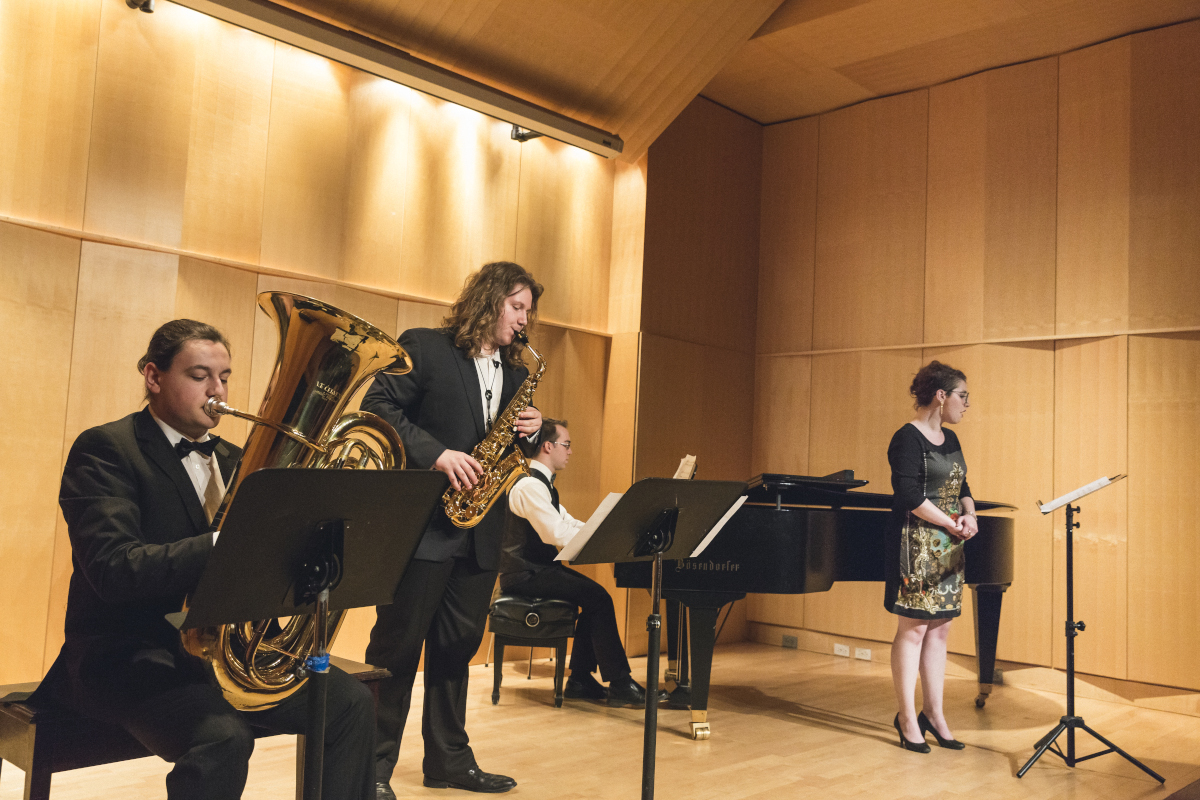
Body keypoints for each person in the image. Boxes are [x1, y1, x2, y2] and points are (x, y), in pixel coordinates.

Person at [34, 319, 376, 800]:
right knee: (222, 740)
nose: (217, 390)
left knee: (350, 703)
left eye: (225, 377)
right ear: (154, 377)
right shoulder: (108, 450)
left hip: (224, 655)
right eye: (199, 376)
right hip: (131, 656)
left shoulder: (241, 461)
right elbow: (115, 569)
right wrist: (224, 543)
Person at [361, 262, 544, 798]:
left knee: (456, 649)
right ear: (488, 301)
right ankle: (371, 768)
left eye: (529, 310)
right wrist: (437, 454)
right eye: (517, 306)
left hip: (480, 530)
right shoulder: (425, 345)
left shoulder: (515, 375)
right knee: (396, 650)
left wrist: (531, 432)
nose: (524, 319)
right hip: (422, 527)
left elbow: (508, 450)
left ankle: (448, 760)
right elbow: (377, 406)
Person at [500, 418, 653, 706]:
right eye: (566, 445)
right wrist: (599, 533)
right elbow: (556, 532)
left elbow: (567, 521)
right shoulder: (530, 486)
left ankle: (581, 679)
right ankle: (617, 683)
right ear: (547, 446)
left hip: (538, 569)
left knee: (596, 598)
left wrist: (606, 530)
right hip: (524, 573)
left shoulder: (541, 484)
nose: (570, 451)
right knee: (598, 597)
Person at [885, 360, 976, 754]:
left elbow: (963, 484)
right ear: (941, 396)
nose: (966, 404)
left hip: (949, 545)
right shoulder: (906, 439)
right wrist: (951, 524)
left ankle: (934, 715)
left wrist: (969, 513)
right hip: (916, 544)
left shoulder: (952, 440)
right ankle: (907, 718)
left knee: (940, 630)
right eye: (963, 396)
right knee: (914, 629)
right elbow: (909, 496)